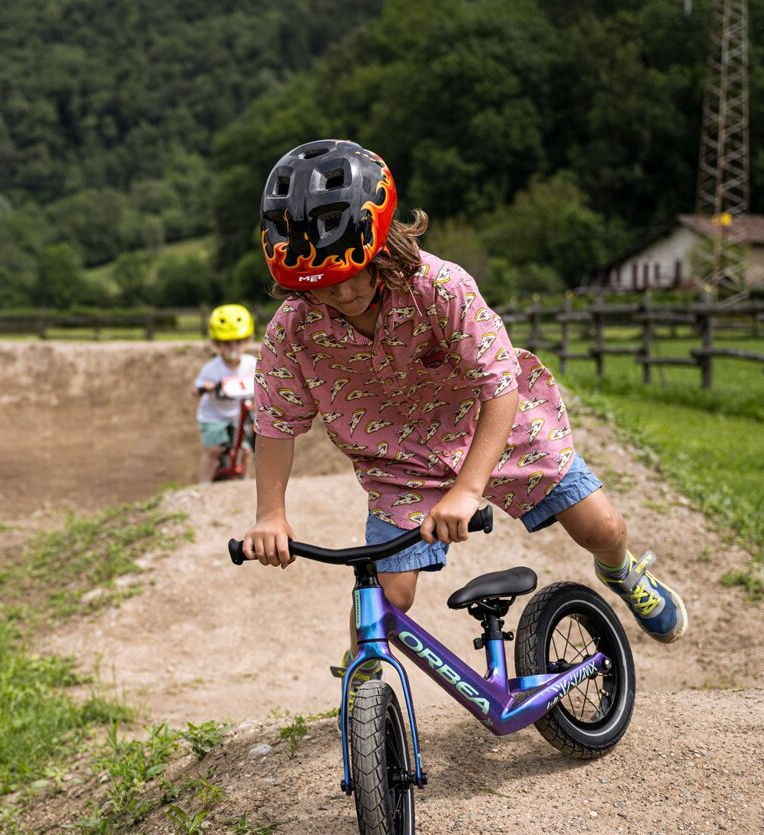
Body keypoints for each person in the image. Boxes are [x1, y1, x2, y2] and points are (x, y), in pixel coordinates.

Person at [237, 139, 687, 660]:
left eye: (349, 276)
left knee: (602, 527)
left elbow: (500, 386)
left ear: (380, 244)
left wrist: (469, 490)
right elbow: (275, 423)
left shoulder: (440, 287)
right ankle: (366, 681)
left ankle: (622, 572)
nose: (339, 296)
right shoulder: (293, 330)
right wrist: (271, 513)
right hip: (398, 461)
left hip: (494, 427)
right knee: (387, 596)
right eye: (322, 286)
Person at [194, 303, 259, 484]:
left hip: (240, 416)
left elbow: (263, 382)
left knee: (247, 451)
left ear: (247, 341)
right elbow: (196, 389)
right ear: (216, 344)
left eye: (238, 342)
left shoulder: (251, 364)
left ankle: (247, 483)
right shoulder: (212, 368)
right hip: (213, 416)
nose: (233, 347)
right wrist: (205, 387)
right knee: (214, 450)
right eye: (226, 343)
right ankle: (204, 485)